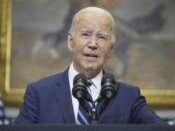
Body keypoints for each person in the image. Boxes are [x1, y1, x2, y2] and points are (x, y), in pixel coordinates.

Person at [14, 7, 165, 124]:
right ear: (70, 42)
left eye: (102, 37)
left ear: (111, 48)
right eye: (85, 34)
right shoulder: (39, 93)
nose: (93, 44)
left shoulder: (129, 97)